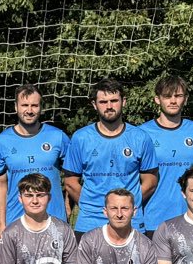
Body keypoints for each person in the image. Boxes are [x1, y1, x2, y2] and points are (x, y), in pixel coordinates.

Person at [64, 79, 158, 234]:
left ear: (124, 102)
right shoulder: (80, 138)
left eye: (114, 101)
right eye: (103, 102)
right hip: (90, 222)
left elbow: (151, 181)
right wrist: (91, 205)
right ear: (94, 104)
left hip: (130, 222)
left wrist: (127, 206)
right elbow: (70, 182)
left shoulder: (141, 138)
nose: (109, 106)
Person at [139, 76, 193, 231]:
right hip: (154, 218)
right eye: (167, 96)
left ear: (185, 99)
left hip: (191, 217)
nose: (173, 101)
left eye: (178, 96)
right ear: (157, 99)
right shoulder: (143, 132)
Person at [0, 84, 70, 225]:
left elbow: (72, 177)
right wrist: (2, 223)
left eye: (34, 105)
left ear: (41, 107)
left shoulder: (58, 137)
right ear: (16, 107)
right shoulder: (1, 141)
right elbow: (0, 185)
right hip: (16, 220)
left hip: (54, 218)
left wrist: (68, 205)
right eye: (24, 105)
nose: (29, 110)